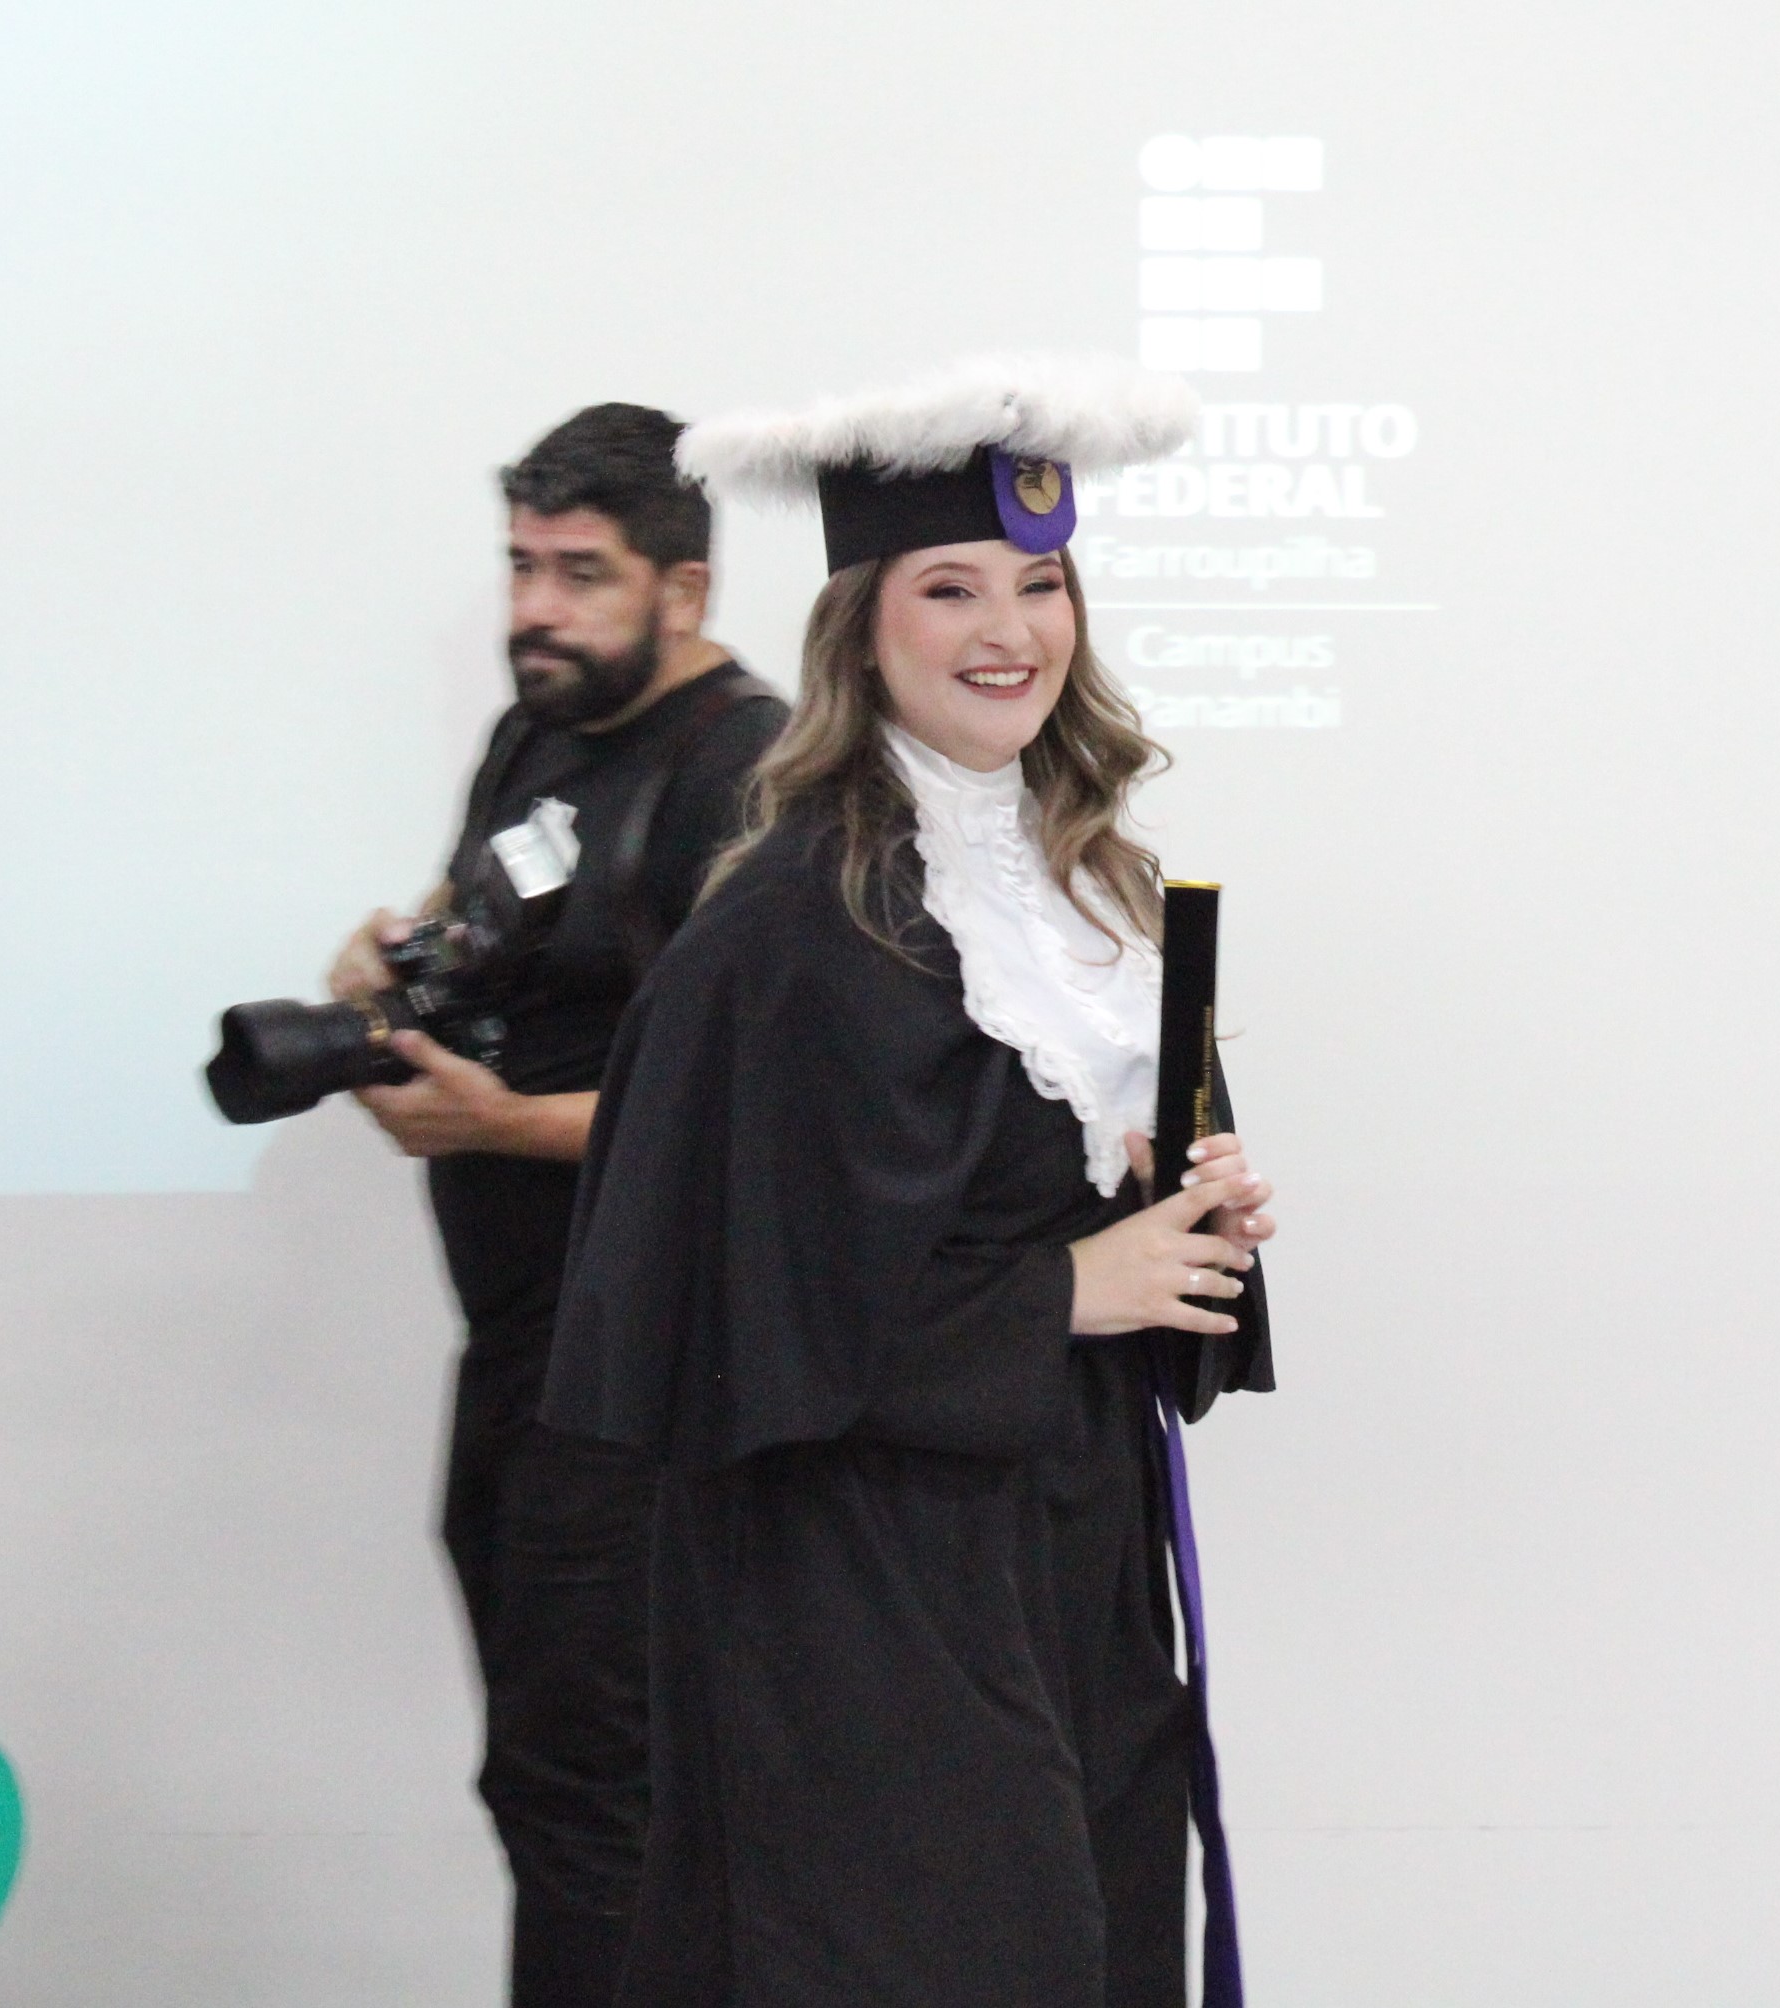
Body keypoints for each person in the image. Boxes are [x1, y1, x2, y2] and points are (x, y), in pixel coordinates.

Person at [543, 357, 1281, 2008]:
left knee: (1095, 1939)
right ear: (861, 626)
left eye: (1040, 584)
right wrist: (1064, 1289)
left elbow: (1053, 1230)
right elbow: (722, 1322)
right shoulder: (783, 936)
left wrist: (1184, 1222)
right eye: (950, 588)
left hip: (1072, 1547)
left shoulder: (1098, 889)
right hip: (864, 1581)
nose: (1008, 630)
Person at [329, 402, 787, 2008]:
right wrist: (389, 969)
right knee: (544, 1778)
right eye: (521, 566)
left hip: (644, 1380)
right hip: (522, 1353)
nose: (535, 610)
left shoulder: (749, 776)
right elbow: (479, 926)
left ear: (687, 587)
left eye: (580, 574)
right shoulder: (532, 737)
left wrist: (503, 1122)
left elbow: (758, 1117)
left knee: (598, 1790)